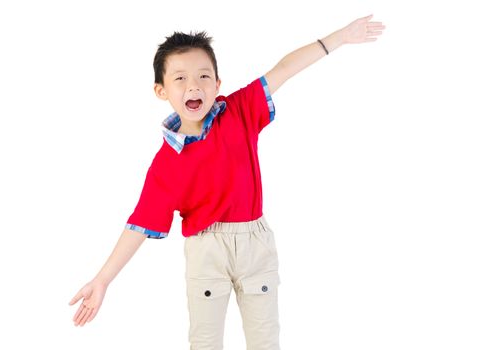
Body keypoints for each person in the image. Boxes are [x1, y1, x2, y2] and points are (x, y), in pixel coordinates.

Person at [69, 14, 385, 349]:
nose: (194, 85)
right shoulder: (166, 163)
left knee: (265, 339)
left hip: (254, 242)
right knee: (205, 341)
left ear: (217, 85)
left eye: (204, 76)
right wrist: (102, 280)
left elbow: (283, 69)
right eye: (180, 78)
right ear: (161, 90)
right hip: (206, 249)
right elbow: (139, 224)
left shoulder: (239, 112)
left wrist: (340, 37)